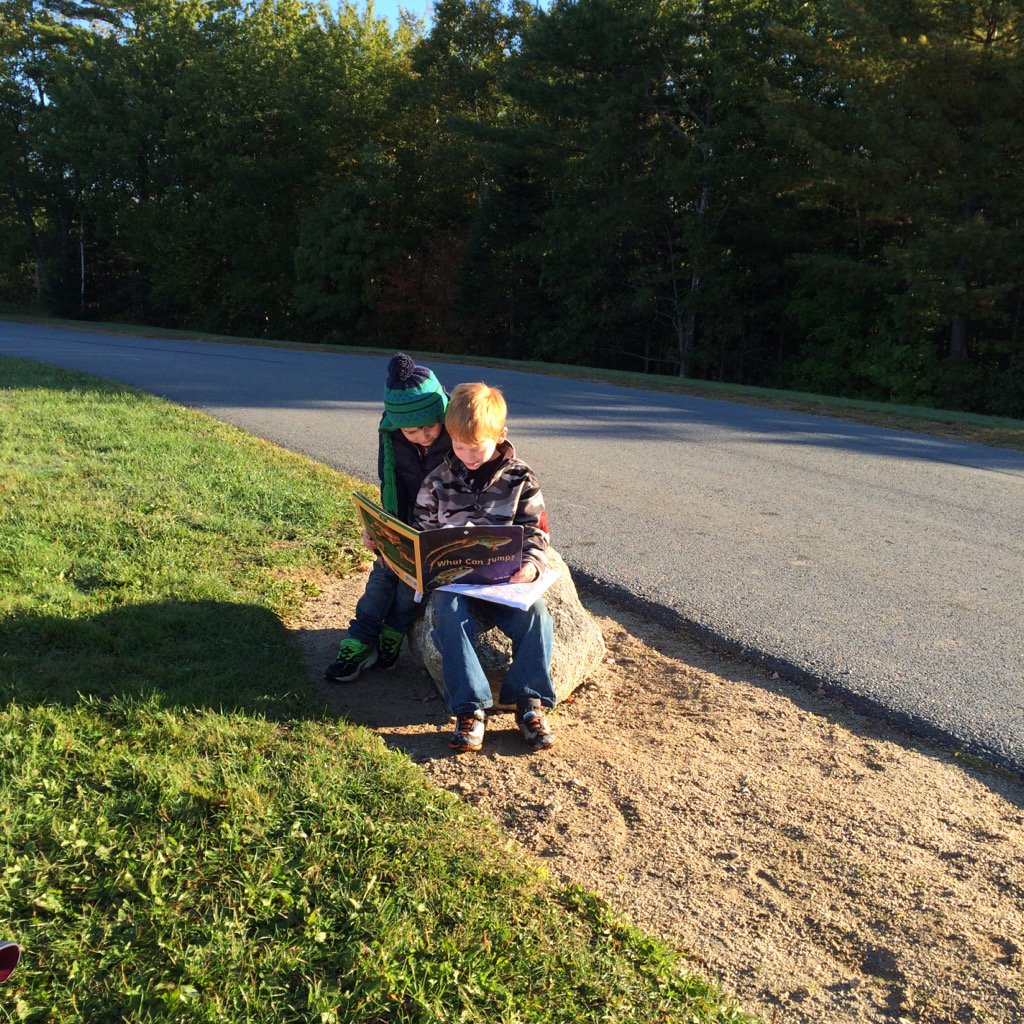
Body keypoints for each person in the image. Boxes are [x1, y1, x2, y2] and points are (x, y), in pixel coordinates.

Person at [414, 382, 556, 752]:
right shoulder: (438, 482)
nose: (467, 456)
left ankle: (529, 703)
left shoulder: (520, 478)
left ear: (500, 436)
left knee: (538, 617)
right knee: (447, 615)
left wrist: (530, 567)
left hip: (504, 583)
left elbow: (535, 532)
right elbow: (422, 532)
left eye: (475, 448)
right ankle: (470, 708)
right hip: (456, 586)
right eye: (458, 446)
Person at [325, 354, 451, 683]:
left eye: (431, 426)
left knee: (412, 588)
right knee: (381, 575)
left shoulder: (458, 434)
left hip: (440, 530)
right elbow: (390, 484)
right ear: (397, 426)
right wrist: (379, 531)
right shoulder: (390, 435)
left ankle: (393, 633)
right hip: (403, 523)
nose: (424, 436)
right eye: (412, 430)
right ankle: (360, 639)